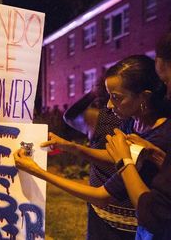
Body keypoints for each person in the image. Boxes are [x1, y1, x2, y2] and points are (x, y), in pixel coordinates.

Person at [14, 55, 171, 235]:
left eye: (116, 97)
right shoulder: (133, 121)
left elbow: (101, 195)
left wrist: (37, 171)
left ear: (143, 97)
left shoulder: (161, 137)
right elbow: (114, 156)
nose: (109, 105)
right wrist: (71, 147)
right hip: (109, 220)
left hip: (134, 227)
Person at [104, 32, 171, 239]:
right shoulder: (129, 123)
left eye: (167, 81)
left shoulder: (162, 133)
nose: (167, 93)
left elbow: (155, 213)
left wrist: (124, 161)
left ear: (143, 97)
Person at [64, 82, 130, 239]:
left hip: (103, 207)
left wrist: (91, 93)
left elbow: (70, 116)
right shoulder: (142, 122)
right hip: (135, 207)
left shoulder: (98, 118)